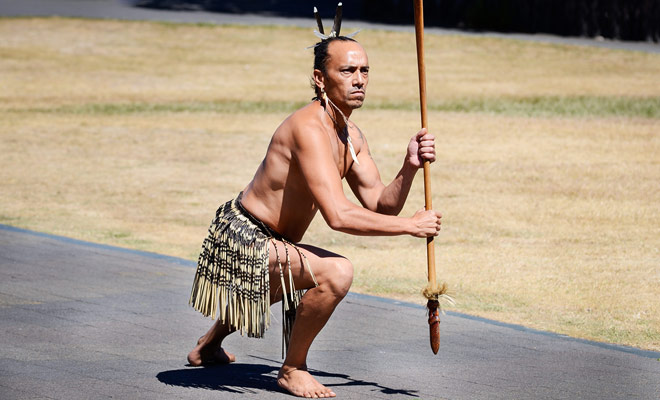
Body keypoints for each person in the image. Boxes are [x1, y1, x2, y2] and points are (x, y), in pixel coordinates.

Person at [186, 33, 441, 398]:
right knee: (336, 272)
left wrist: (409, 166)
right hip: (244, 237)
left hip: (277, 244)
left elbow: (380, 204)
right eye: (347, 70)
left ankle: (207, 345)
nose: (359, 79)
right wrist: (410, 227)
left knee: (293, 267)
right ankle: (292, 369)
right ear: (320, 78)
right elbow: (338, 215)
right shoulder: (309, 128)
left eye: (364, 70)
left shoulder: (350, 134)